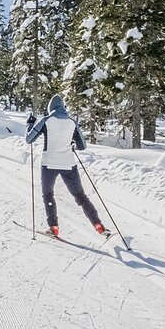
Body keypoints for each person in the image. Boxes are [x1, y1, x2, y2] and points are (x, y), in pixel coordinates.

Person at [25, 94, 106, 237]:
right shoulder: (71, 122)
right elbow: (82, 146)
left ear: (51, 108)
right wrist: (71, 143)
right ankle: (98, 224)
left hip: (49, 164)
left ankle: (54, 227)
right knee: (80, 196)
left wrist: (30, 124)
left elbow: (29, 139)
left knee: (48, 195)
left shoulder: (46, 120)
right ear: (63, 107)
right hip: (69, 164)